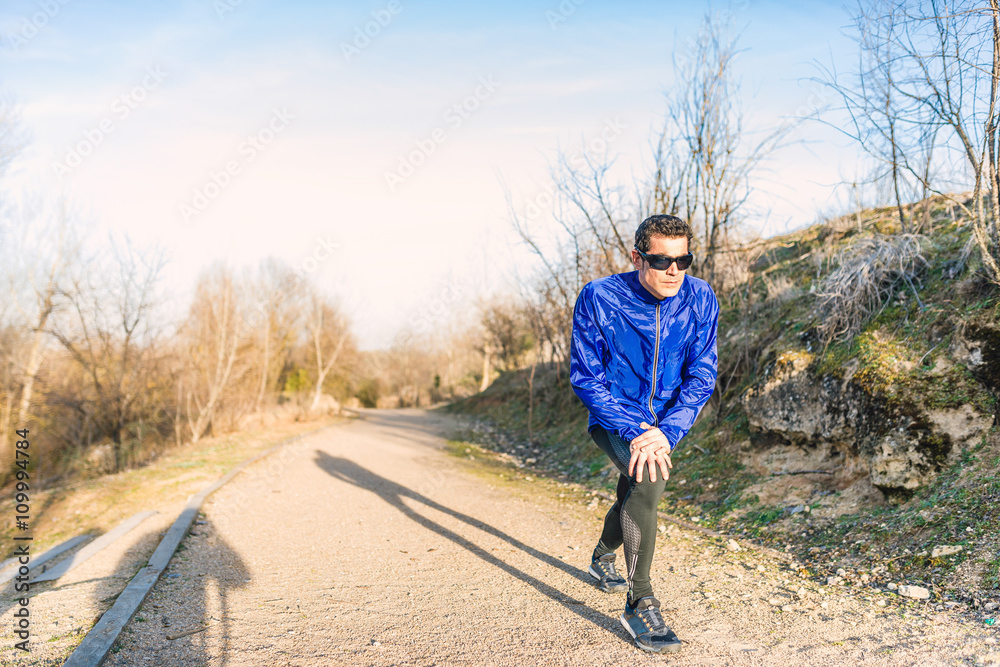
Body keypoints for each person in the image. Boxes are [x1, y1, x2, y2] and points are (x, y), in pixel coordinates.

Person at [570, 214, 719, 654]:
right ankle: (639, 601)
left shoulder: (700, 297)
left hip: (666, 425)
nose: (674, 270)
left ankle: (601, 558)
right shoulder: (600, 297)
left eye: (684, 260)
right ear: (638, 257)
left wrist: (667, 431)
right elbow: (586, 377)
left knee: (634, 492)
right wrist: (635, 429)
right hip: (616, 419)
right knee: (650, 480)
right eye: (661, 260)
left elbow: (702, 373)